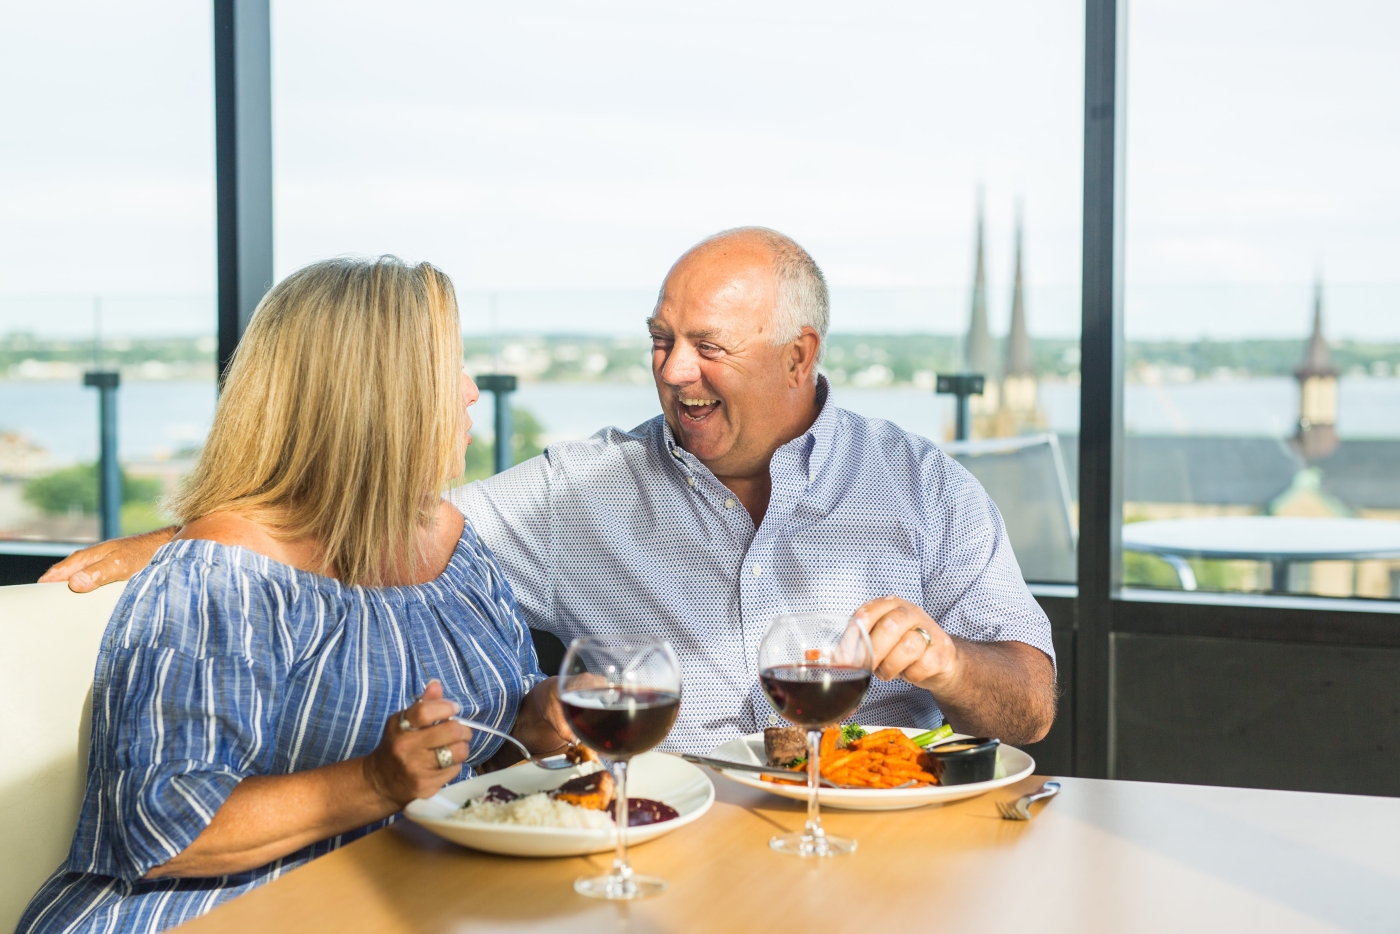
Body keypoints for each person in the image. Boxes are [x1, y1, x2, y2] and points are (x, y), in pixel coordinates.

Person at [46, 228, 1056, 751]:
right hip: (653, 852)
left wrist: (949, 664)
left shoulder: (922, 485)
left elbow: (1031, 708)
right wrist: (192, 540)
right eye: (659, 342)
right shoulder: (581, 490)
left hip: (871, 843)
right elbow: (375, 526)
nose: (671, 372)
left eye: (708, 347)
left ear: (798, 357)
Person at [21, 258, 570, 934]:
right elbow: (159, 827)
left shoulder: (451, 538)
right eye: (446, 368)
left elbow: (476, 738)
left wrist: (531, 723)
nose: (471, 390)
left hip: (405, 898)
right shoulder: (225, 570)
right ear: (376, 396)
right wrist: (373, 783)